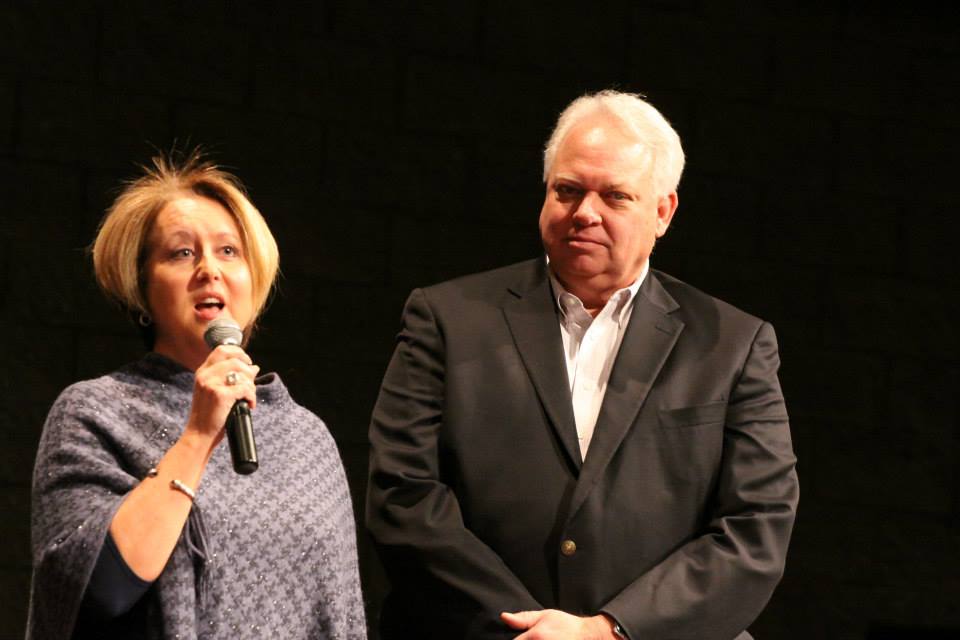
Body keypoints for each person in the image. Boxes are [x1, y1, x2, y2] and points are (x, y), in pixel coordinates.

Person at [366, 90, 799, 639]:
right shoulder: (446, 319)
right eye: (568, 191)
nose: (585, 213)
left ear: (663, 212)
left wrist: (607, 631)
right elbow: (402, 494)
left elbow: (756, 528)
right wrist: (528, 632)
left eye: (615, 196)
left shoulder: (734, 345)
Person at [27, 152, 366, 639]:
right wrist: (198, 434)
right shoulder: (95, 413)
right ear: (142, 287)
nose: (209, 268)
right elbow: (98, 590)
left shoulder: (306, 437)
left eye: (229, 251)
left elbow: (341, 615)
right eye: (182, 253)